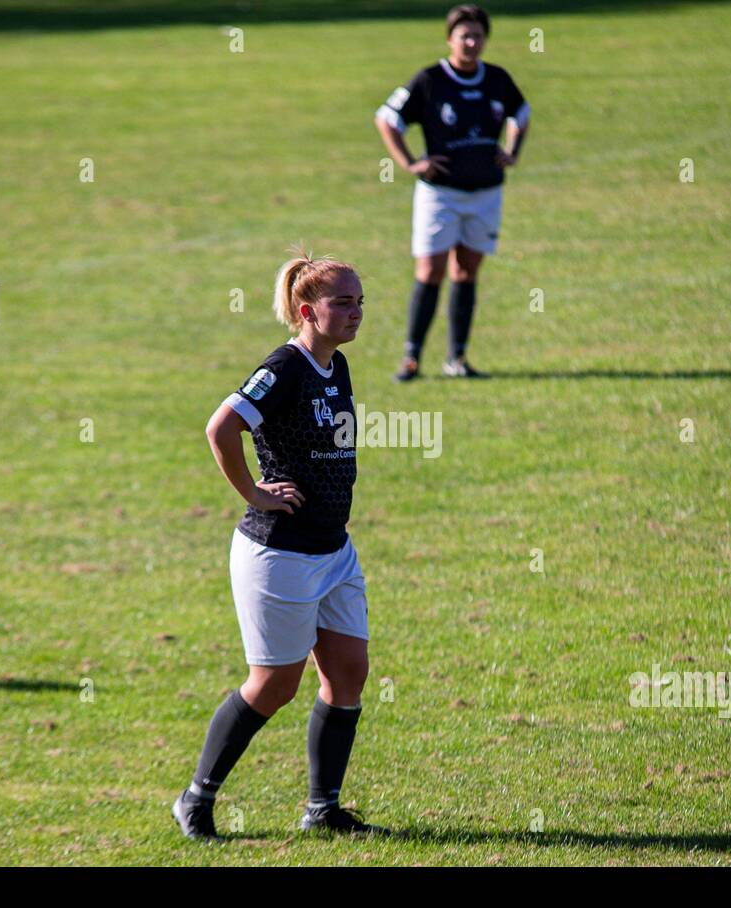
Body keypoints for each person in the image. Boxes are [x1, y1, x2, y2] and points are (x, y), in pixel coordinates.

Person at [173, 252, 389, 841]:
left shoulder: (337, 366)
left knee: (348, 675)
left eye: (360, 301)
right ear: (305, 310)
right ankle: (196, 799)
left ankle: (323, 809)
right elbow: (221, 426)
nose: (356, 312)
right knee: (274, 685)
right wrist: (255, 493)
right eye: (342, 302)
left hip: (333, 552)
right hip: (280, 552)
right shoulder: (284, 367)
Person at [374, 3, 531, 382]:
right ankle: (411, 359)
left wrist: (512, 152)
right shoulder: (430, 80)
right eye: (464, 35)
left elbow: (521, 112)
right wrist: (411, 163)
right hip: (440, 194)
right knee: (430, 270)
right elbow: (387, 118)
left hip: (486, 192)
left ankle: (457, 359)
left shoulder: (496, 79)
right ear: (449, 39)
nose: (471, 42)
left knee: (467, 270)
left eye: (478, 35)